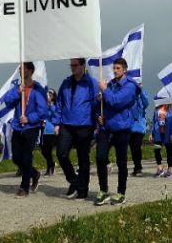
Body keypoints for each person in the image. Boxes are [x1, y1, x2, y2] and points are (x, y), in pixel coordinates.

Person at [0, 62, 49, 198]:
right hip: (17, 126)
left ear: (31, 71)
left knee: (27, 157)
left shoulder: (37, 89)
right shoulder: (17, 88)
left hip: (31, 127)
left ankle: (24, 187)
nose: (21, 70)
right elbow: (7, 101)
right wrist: (17, 92)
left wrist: (29, 118)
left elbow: (43, 111)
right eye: (20, 68)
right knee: (16, 157)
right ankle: (34, 173)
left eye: (24, 68)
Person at [94, 58, 138, 206]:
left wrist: (104, 91)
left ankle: (121, 193)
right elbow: (104, 104)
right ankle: (104, 191)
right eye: (114, 68)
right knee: (100, 158)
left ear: (125, 69)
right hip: (106, 128)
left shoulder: (130, 86)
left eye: (118, 68)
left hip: (121, 129)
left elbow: (117, 102)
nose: (115, 71)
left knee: (121, 162)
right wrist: (99, 115)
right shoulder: (111, 84)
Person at [55, 58, 100, 200]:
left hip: (85, 125)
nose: (72, 68)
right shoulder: (66, 82)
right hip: (66, 124)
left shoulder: (91, 83)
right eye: (71, 65)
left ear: (82, 65)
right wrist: (56, 122)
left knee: (83, 158)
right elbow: (59, 103)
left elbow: (97, 104)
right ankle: (75, 181)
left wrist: (98, 122)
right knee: (61, 153)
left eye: (75, 65)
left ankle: (83, 190)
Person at [150, 103, 172, 177]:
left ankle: (169, 170)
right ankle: (160, 168)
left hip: (168, 134)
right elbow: (153, 122)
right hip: (158, 133)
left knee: (169, 152)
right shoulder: (157, 109)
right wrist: (151, 133)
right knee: (157, 150)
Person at [129, 82, 149, 177]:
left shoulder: (141, 100)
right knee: (133, 148)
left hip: (139, 127)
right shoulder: (129, 99)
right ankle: (136, 167)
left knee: (136, 147)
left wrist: (141, 90)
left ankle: (139, 167)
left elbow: (146, 103)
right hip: (129, 127)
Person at [40, 88, 60, 176]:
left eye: (50, 95)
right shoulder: (44, 106)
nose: (48, 97)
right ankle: (51, 163)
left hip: (52, 130)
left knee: (48, 149)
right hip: (44, 131)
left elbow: (55, 115)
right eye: (47, 95)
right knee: (44, 150)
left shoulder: (55, 105)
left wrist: (51, 105)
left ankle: (50, 167)